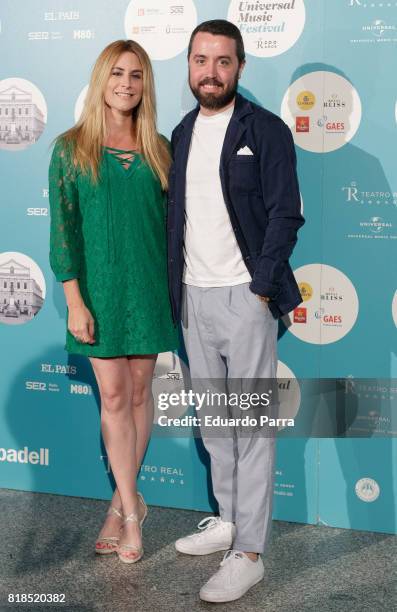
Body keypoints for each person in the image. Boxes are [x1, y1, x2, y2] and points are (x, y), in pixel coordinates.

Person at [167, 20, 304, 602]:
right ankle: (226, 520)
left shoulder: (265, 129)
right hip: (194, 298)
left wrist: (260, 289)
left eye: (223, 61)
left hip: (246, 296)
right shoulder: (179, 132)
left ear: (240, 67)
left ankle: (249, 553)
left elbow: (284, 214)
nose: (211, 72)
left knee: (250, 429)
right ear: (190, 65)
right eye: (201, 60)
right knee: (214, 423)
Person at [48, 39, 178, 564]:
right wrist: (75, 301)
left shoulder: (160, 148)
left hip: (148, 288)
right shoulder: (70, 147)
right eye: (118, 73)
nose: (127, 83)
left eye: (138, 75)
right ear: (102, 77)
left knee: (142, 391)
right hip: (97, 292)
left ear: (146, 85)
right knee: (116, 397)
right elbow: (64, 232)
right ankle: (131, 512)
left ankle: (120, 503)